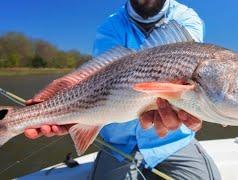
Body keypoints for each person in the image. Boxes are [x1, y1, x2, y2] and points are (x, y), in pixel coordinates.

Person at [24, 0, 221, 179]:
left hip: (172, 141)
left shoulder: (185, 17)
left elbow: (188, 65)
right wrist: (69, 88)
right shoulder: (110, 26)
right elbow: (99, 77)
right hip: (117, 144)